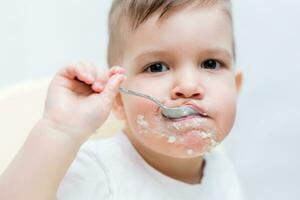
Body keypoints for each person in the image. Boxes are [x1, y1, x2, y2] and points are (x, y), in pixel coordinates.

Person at [0, 0, 244, 199]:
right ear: (117, 99)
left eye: (211, 63)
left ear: (236, 86)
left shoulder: (221, 172)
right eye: (157, 67)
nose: (189, 86)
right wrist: (59, 130)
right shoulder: (97, 172)